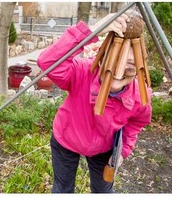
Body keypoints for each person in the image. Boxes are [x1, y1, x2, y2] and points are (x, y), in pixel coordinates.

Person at [37, 12, 152, 193]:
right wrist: (92, 31)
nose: (120, 73)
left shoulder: (140, 95)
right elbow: (47, 62)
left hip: (103, 149)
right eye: (116, 62)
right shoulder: (82, 73)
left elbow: (137, 123)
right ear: (102, 57)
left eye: (129, 67)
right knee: (62, 190)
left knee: (103, 192)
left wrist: (122, 151)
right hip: (66, 139)